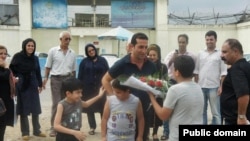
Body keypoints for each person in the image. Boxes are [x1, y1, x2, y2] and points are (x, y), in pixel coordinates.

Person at [102, 32, 157, 141]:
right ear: (132, 47)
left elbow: (154, 85)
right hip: (124, 113)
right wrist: (115, 98)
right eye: (140, 47)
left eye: (146, 47)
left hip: (143, 112)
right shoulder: (122, 64)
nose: (144, 50)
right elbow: (105, 80)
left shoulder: (151, 66)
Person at [148, 55, 204, 141]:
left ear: (177, 72)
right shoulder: (198, 88)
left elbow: (163, 116)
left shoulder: (175, 90)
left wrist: (151, 96)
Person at [9, 38, 46, 140]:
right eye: (28, 45)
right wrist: (17, 79)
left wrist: (40, 84)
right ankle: (25, 132)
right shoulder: (18, 57)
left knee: (35, 108)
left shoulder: (35, 58)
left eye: (32, 46)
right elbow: (12, 70)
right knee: (24, 109)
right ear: (24, 46)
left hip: (33, 83)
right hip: (22, 84)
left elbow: (38, 71)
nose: (30, 47)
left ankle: (37, 130)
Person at [43, 31, 77, 137]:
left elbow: (74, 70)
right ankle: (54, 127)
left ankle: (64, 125)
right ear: (60, 39)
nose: (67, 41)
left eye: (69, 39)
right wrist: (45, 79)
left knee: (67, 103)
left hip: (68, 79)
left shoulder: (72, 53)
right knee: (57, 103)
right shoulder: (53, 51)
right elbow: (48, 66)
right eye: (65, 39)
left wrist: (74, 83)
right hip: (56, 79)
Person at [54, 77, 106, 141]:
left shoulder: (78, 101)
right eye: (78, 92)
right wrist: (74, 132)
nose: (81, 95)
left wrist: (99, 96)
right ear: (68, 93)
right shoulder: (62, 105)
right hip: (64, 136)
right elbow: (56, 126)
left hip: (77, 133)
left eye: (81, 92)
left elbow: (86, 104)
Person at [194, 30, 227, 125]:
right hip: (201, 87)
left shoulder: (220, 54)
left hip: (214, 87)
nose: (209, 41)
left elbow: (223, 73)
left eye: (211, 39)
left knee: (216, 113)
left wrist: (221, 86)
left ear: (215, 40)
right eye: (207, 39)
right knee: (202, 112)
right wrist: (196, 86)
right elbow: (196, 71)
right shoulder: (200, 53)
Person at [77, 43, 109, 135]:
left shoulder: (102, 60)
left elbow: (108, 73)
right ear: (87, 53)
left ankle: (104, 126)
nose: (91, 52)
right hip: (88, 89)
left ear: (95, 50)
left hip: (101, 88)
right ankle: (92, 127)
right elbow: (80, 76)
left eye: (93, 50)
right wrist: (80, 89)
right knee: (89, 108)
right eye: (89, 51)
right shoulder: (84, 62)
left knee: (103, 108)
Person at [220, 38, 250, 125]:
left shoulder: (236, 69)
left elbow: (243, 94)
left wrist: (241, 117)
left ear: (236, 52)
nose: (221, 56)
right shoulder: (246, 66)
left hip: (235, 120)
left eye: (225, 52)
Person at [147, 44, 168, 141]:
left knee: (157, 113)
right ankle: (146, 132)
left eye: (154, 55)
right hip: (147, 93)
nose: (152, 57)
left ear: (158, 55)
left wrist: (160, 85)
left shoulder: (163, 67)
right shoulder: (145, 66)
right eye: (150, 55)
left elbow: (166, 81)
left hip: (159, 94)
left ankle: (155, 133)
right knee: (146, 113)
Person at [0, 45, 17, 141]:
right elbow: (3, 77)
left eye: (5, 53)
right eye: (1, 53)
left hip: (5, 101)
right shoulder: (5, 66)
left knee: (2, 126)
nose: (3, 56)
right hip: (1, 101)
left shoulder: (4, 66)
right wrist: (6, 67)